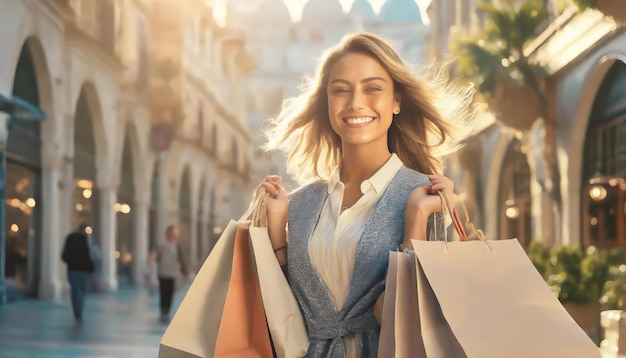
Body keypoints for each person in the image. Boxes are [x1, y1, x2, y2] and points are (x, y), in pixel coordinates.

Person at [257, 32, 474, 357]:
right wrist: (276, 235)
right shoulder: (301, 204)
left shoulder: (428, 201)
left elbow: (418, 321)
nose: (356, 102)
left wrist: (414, 226)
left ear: (396, 101)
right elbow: (285, 316)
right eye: (340, 90)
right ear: (327, 104)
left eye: (373, 88)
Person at [61, 223, 96, 325]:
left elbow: (64, 254)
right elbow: (93, 254)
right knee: (83, 291)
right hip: (86, 270)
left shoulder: (70, 237)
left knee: (75, 291)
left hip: (73, 268)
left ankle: (77, 313)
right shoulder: (89, 239)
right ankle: (79, 311)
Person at [155, 225, 187, 323]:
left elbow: (180, 260)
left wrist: (185, 272)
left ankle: (167, 311)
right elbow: (157, 258)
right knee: (163, 293)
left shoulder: (176, 247)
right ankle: (163, 311)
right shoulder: (162, 246)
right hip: (162, 273)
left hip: (172, 274)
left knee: (169, 293)